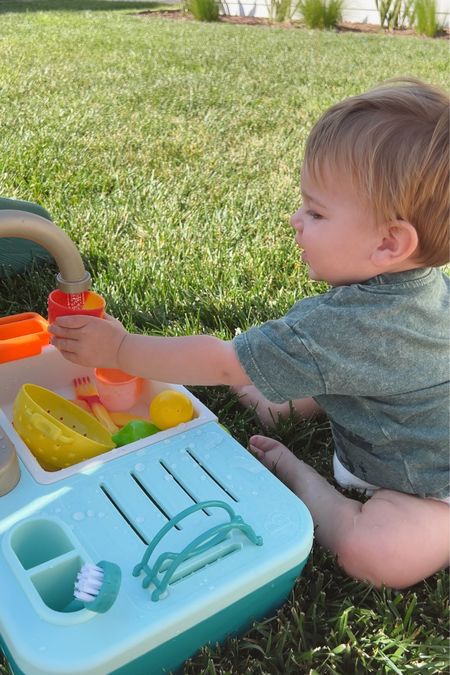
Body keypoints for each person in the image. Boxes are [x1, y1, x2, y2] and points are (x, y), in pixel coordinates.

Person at [50, 78, 450, 590]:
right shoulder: (419, 288)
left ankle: (301, 481)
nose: (294, 220)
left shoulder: (344, 326)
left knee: (375, 552)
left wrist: (122, 349)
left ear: (390, 243)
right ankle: (269, 394)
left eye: (316, 212)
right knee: (282, 395)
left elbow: (218, 362)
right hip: (398, 416)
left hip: (424, 490)